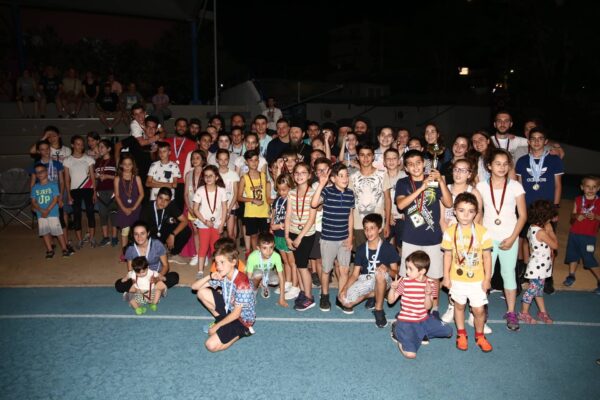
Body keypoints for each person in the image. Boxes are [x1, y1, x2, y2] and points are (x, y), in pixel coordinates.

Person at [396, 149, 453, 314]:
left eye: (418, 163)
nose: (415, 167)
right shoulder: (403, 183)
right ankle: (407, 307)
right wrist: (422, 188)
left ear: (424, 164)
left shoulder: (434, 180)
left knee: (434, 276)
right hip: (411, 237)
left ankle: (434, 309)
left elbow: (449, 203)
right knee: (408, 275)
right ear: (406, 168)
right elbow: (401, 205)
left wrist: (441, 181)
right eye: (411, 164)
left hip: (433, 237)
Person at [476, 148, 527, 332]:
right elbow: (478, 213)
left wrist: (513, 238)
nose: (502, 167)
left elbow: (523, 216)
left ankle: (511, 312)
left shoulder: (515, 186)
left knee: (508, 274)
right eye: (497, 163)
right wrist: (479, 237)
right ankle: (480, 309)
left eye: (505, 164)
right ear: (489, 166)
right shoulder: (481, 186)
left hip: (509, 238)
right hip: (487, 239)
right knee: (485, 275)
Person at [441, 193, 493, 352]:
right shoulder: (450, 232)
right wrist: (446, 276)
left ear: (476, 213)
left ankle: (480, 336)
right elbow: (447, 255)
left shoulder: (482, 232)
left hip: (477, 279)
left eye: (470, 211)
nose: (465, 215)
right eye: (461, 210)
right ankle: (461, 334)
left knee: (479, 310)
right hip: (457, 279)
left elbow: (487, 257)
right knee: (459, 306)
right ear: (455, 211)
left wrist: (487, 279)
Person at [515, 127, 564, 294]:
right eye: (533, 138)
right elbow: (519, 186)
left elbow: (558, 186)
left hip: (547, 210)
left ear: (545, 141)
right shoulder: (522, 161)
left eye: (540, 138)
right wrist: (520, 208)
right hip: (527, 209)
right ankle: (529, 274)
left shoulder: (554, 160)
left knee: (549, 243)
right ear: (528, 141)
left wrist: (555, 209)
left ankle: (548, 277)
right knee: (527, 241)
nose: (536, 141)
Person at [191, 241, 256, 352]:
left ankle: (244, 331)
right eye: (217, 263)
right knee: (201, 292)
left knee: (211, 345)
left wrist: (216, 327)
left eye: (222, 262)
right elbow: (195, 287)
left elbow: (236, 314)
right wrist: (210, 276)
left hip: (241, 319)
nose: (218, 267)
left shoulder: (242, 283)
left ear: (233, 262)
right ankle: (221, 321)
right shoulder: (223, 275)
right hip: (229, 308)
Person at [338, 213, 399, 328]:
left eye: (372, 228)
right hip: (366, 279)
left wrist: (387, 269)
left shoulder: (388, 248)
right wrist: (344, 289)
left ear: (379, 229)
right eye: (366, 229)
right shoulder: (361, 249)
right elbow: (355, 274)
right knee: (345, 302)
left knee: (379, 274)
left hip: (383, 279)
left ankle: (379, 310)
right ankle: (372, 295)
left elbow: (396, 274)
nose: (368, 232)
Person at [389, 251, 452, 359]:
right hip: (407, 321)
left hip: (424, 319)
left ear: (422, 271)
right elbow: (391, 301)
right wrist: (392, 289)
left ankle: (419, 333)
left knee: (449, 331)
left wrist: (427, 295)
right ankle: (397, 331)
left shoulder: (431, 283)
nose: (407, 272)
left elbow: (428, 307)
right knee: (410, 355)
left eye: (410, 269)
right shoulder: (404, 281)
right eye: (407, 268)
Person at [311, 162, 355, 313]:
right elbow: (314, 203)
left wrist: (350, 237)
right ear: (333, 178)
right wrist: (321, 184)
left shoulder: (350, 194)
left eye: (346, 175)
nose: (345, 178)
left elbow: (350, 216)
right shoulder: (327, 191)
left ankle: (341, 297)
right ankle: (324, 296)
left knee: (344, 270)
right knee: (326, 270)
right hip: (328, 239)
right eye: (341, 176)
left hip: (344, 239)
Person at [518, 200, 558, 324]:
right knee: (532, 290)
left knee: (538, 290)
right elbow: (555, 245)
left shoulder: (532, 227)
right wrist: (550, 231)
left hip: (541, 266)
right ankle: (524, 313)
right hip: (538, 267)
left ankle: (542, 312)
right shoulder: (541, 232)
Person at [285, 162, 317, 310]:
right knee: (298, 264)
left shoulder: (313, 193)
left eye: (303, 172)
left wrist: (299, 238)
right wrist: (287, 236)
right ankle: (303, 292)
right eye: (297, 173)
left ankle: (309, 297)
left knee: (303, 266)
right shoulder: (291, 193)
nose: (299, 176)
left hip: (306, 234)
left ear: (309, 175)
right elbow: (288, 215)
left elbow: (311, 219)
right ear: (293, 176)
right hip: (292, 232)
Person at [116, 221, 179, 293]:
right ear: (133, 235)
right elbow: (130, 270)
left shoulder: (157, 244)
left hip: (156, 274)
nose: (139, 237)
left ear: (148, 233)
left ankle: (142, 291)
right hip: (139, 276)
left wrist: (157, 278)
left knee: (174, 277)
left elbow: (165, 266)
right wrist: (135, 281)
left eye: (142, 233)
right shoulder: (130, 249)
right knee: (119, 285)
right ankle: (154, 290)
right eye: (136, 234)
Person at [562, 176, 600, 294]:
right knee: (573, 256)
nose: (591, 189)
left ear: (598, 188)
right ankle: (571, 275)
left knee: (589, 259)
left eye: (594, 187)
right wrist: (576, 216)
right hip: (574, 234)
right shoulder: (578, 199)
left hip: (589, 236)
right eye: (588, 186)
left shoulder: (599, 202)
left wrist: (596, 217)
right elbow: (572, 215)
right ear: (582, 187)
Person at [349, 143, 390, 248]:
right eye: (362, 155)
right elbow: (350, 204)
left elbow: (387, 199)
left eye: (368, 155)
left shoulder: (382, 174)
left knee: (379, 254)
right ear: (357, 157)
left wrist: (387, 223)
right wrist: (350, 229)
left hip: (378, 224)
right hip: (358, 224)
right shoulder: (352, 177)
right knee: (361, 254)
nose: (365, 158)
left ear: (373, 156)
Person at [140, 187, 192, 265]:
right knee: (151, 259)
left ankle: (173, 254)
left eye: (166, 200)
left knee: (186, 231)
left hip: (164, 232)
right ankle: (160, 249)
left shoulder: (171, 206)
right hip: (151, 234)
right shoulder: (147, 207)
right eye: (160, 198)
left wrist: (173, 234)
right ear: (156, 197)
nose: (162, 202)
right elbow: (141, 229)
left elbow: (185, 221)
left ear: (169, 201)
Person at [192, 165, 228, 277]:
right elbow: (195, 209)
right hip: (204, 223)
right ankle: (200, 270)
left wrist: (222, 224)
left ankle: (215, 269)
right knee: (203, 246)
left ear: (216, 177)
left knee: (215, 247)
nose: (208, 178)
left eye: (211, 176)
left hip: (217, 223)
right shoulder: (200, 190)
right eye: (206, 176)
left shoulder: (221, 190)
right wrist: (204, 221)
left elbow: (224, 208)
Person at [30, 163, 73, 258]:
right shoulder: (35, 187)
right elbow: (33, 201)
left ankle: (64, 249)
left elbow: (55, 199)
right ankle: (49, 250)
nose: (39, 174)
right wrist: (41, 210)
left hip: (52, 213)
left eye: (41, 171)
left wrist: (47, 210)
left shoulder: (53, 185)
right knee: (44, 232)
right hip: (41, 214)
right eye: (37, 172)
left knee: (58, 232)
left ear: (46, 172)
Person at [63, 135, 96, 249]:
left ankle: (92, 238)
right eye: (77, 144)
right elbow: (67, 179)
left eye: (82, 144)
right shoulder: (67, 160)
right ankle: (80, 240)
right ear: (72, 145)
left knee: (90, 213)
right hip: (74, 191)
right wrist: (69, 194)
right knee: (76, 215)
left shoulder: (88, 159)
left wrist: (94, 191)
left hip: (88, 189)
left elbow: (92, 176)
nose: (80, 146)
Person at [237, 150, 271, 256]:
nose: (254, 162)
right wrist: (252, 200)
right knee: (253, 235)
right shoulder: (244, 178)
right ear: (246, 162)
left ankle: (265, 256)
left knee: (264, 236)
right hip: (251, 212)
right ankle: (256, 256)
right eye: (251, 160)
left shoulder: (263, 176)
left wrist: (270, 206)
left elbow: (267, 195)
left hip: (263, 211)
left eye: (256, 160)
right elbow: (239, 197)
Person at [271, 174, 298, 299]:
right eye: (279, 190)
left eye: (284, 190)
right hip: (278, 234)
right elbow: (273, 215)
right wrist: (272, 225)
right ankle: (287, 282)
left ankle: (295, 286)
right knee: (285, 261)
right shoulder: (277, 201)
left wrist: (280, 225)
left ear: (290, 188)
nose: (281, 192)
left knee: (292, 262)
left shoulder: (291, 200)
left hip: (287, 234)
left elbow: (292, 218)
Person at [245, 232, 287, 306]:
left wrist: (282, 298)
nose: (268, 251)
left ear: (274, 246)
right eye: (264, 248)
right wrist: (248, 296)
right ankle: (254, 293)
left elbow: (281, 277)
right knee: (258, 274)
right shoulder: (252, 257)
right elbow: (248, 278)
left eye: (271, 247)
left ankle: (264, 285)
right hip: (254, 274)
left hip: (267, 273)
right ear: (258, 248)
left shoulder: (276, 256)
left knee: (276, 280)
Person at [114, 155, 144, 251]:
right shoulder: (117, 178)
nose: (127, 166)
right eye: (125, 164)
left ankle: (137, 251)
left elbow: (141, 194)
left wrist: (133, 208)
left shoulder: (137, 178)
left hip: (135, 208)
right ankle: (125, 251)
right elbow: (117, 196)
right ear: (121, 165)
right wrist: (124, 209)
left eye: (129, 164)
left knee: (136, 230)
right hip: (123, 208)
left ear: (133, 165)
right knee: (125, 230)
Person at [165, 118, 196, 210]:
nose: (181, 128)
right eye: (179, 125)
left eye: (184, 126)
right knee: (166, 208)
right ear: (175, 127)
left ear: (187, 128)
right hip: (167, 180)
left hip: (184, 182)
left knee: (180, 209)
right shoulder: (166, 142)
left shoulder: (193, 144)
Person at [184, 150, 206, 267]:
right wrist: (189, 207)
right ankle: (198, 254)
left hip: (204, 209)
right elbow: (186, 194)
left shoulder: (207, 173)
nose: (195, 160)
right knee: (196, 232)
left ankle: (204, 255)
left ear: (203, 160)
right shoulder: (188, 174)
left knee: (204, 232)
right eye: (193, 158)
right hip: (192, 209)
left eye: (198, 158)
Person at [94, 139, 118, 247]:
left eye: (102, 147)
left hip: (112, 190)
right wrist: (96, 176)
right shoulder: (97, 161)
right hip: (100, 191)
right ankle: (105, 237)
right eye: (99, 147)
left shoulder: (114, 161)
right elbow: (95, 177)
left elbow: (119, 177)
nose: (100, 149)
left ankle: (114, 237)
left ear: (109, 149)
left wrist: (108, 176)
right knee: (103, 215)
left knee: (113, 214)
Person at [383, 148, 407, 253]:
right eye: (388, 159)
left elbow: (410, 197)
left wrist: (407, 212)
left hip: (402, 217)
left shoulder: (405, 176)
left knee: (402, 247)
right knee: (384, 247)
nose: (391, 161)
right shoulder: (381, 177)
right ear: (384, 162)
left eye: (394, 158)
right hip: (386, 217)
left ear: (399, 161)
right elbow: (379, 200)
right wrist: (387, 214)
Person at [215, 149, 239, 240]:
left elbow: (235, 193)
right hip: (217, 208)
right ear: (217, 160)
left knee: (230, 234)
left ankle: (233, 249)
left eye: (225, 159)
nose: (223, 162)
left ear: (228, 160)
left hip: (230, 207)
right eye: (221, 159)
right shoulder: (214, 174)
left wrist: (229, 210)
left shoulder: (233, 174)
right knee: (218, 233)